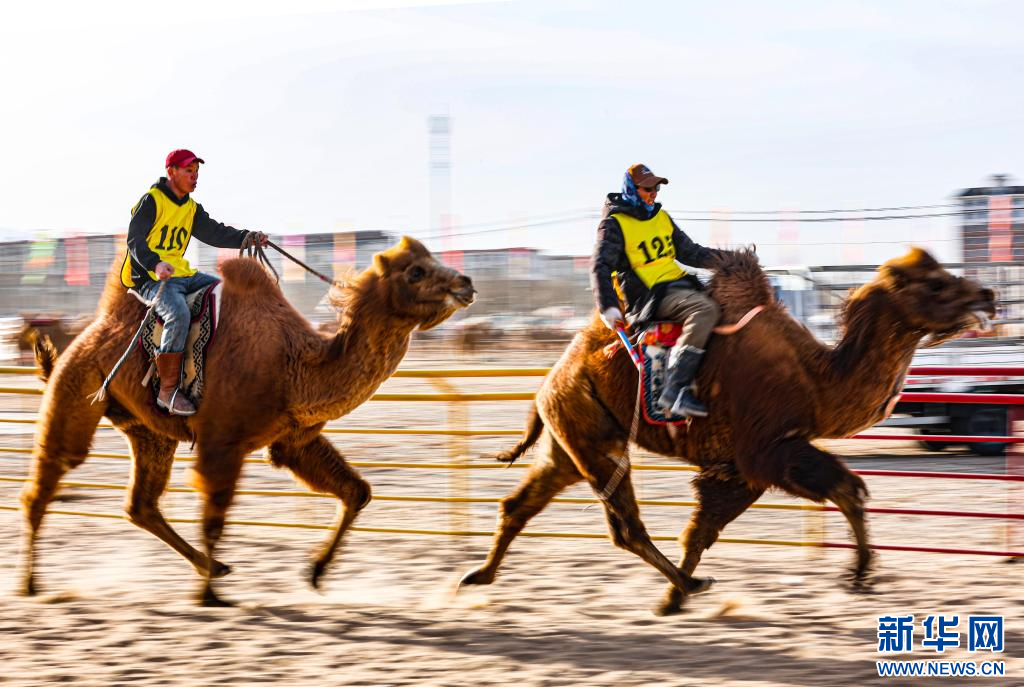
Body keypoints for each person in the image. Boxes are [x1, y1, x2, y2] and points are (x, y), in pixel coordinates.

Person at [120, 149, 267, 416]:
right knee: (177, 313)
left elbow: (214, 231)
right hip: (150, 278)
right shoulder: (151, 201)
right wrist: (155, 263)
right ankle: (167, 391)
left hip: (182, 274)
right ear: (171, 172)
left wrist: (247, 237)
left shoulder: (191, 208)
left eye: (197, 172)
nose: (195, 176)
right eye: (189, 171)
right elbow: (134, 240)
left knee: (227, 293)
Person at [591, 163, 730, 418]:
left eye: (656, 187)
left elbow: (692, 253)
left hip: (679, 285)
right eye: (647, 188)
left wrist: (732, 260)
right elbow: (600, 266)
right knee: (704, 310)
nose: (653, 193)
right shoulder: (614, 224)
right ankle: (675, 390)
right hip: (649, 298)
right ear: (631, 189)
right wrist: (607, 306)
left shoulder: (662, 218)